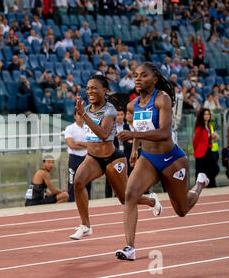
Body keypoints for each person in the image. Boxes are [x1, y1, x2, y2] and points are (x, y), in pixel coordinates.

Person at [115, 62, 210, 261]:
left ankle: (200, 184)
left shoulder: (162, 99)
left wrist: (132, 134)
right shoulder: (132, 105)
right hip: (148, 159)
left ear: (155, 79)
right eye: (135, 75)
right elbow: (140, 129)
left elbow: (164, 133)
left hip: (171, 160)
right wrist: (134, 148)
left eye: (143, 75)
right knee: (130, 194)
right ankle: (129, 248)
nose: (138, 78)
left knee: (182, 210)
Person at [71, 74, 159, 240]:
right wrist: (84, 113)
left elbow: (104, 135)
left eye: (94, 88)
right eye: (88, 88)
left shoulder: (109, 109)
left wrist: (83, 116)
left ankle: (152, 201)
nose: (90, 91)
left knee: (125, 199)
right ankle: (85, 225)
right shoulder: (87, 108)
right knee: (78, 182)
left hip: (112, 159)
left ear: (104, 90)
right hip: (93, 158)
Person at [65, 112, 91, 202]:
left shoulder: (88, 128)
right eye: (78, 115)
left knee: (87, 182)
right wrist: (85, 145)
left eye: (82, 115)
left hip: (87, 158)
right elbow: (71, 145)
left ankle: (88, 201)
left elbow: (92, 145)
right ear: (75, 116)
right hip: (74, 158)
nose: (80, 117)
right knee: (73, 181)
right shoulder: (70, 128)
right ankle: (71, 201)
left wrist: (78, 143)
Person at [193, 108, 220, 188]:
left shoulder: (208, 126)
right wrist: (197, 151)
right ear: (202, 116)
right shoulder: (199, 127)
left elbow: (209, 138)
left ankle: (210, 184)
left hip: (209, 150)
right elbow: (195, 141)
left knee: (214, 169)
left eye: (208, 114)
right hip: (201, 152)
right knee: (201, 171)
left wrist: (213, 137)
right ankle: (202, 186)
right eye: (205, 114)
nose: (207, 116)